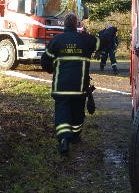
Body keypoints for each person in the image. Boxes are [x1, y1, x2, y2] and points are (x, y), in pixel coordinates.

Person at [40, 13, 99, 154]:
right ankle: (75, 136)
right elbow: (100, 42)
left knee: (62, 114)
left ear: (64, 25)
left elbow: (45, 61)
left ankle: (63, 140)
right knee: (77, 114)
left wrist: (50, 70)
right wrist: (111, 30)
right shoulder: (85, 39)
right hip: (79, 88)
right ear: (77, 24)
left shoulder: (56, 40)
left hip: (61, 88)